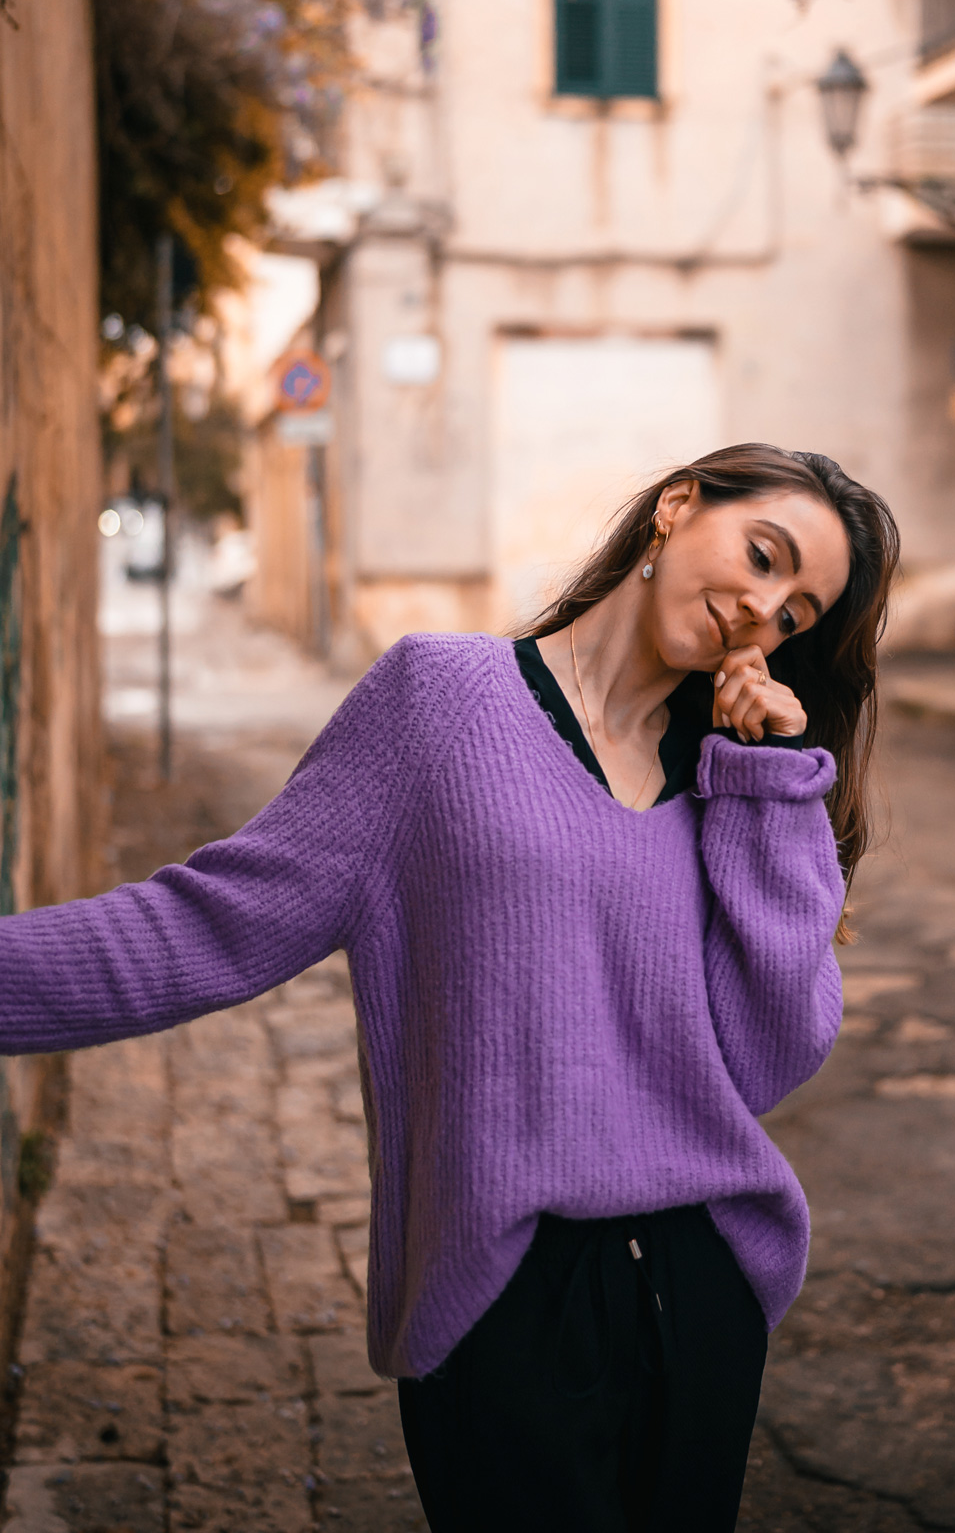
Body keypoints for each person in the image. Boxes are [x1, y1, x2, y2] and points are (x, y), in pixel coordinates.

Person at [0, 442, 899, 1532]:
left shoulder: (730, 782)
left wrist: (768, 792)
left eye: (797, 615)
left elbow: (769, 1053)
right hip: (505, 1289)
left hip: (703, 1288)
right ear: (677, 507)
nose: (762, 610)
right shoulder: (442, 702)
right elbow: (210, 927)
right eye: (764, 556)